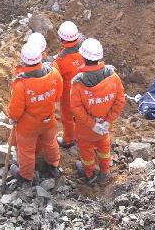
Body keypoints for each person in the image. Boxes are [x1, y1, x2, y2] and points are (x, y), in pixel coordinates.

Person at [69, 38, 125, 185]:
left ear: (83, 57)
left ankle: (89, 174)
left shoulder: (78, 83)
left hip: (86, 129)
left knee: (86, 151)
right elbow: (120, 101)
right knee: (104, 146)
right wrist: (107, 121)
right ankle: (105, 171)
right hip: (104, 128)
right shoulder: (113, 77)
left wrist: (92, 124)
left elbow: (76, 108)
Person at [8, 42, 63, 185]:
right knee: (51, 143)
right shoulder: (54, 73)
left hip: (28, 125)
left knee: (26, 150)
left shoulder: (21, 84)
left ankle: (26, 176)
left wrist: (13, 118)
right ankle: (53, 165)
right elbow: (58, 95)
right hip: (48, 119)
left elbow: (15, 109)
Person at [53, 20, 84, 149]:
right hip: (84, 90)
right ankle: (83, 137)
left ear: (61, 39)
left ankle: (69, 140)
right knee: (82, 115)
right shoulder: (86, 51)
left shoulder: (60, 60)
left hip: (68, 94)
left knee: (67, 117)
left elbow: (56, 79)